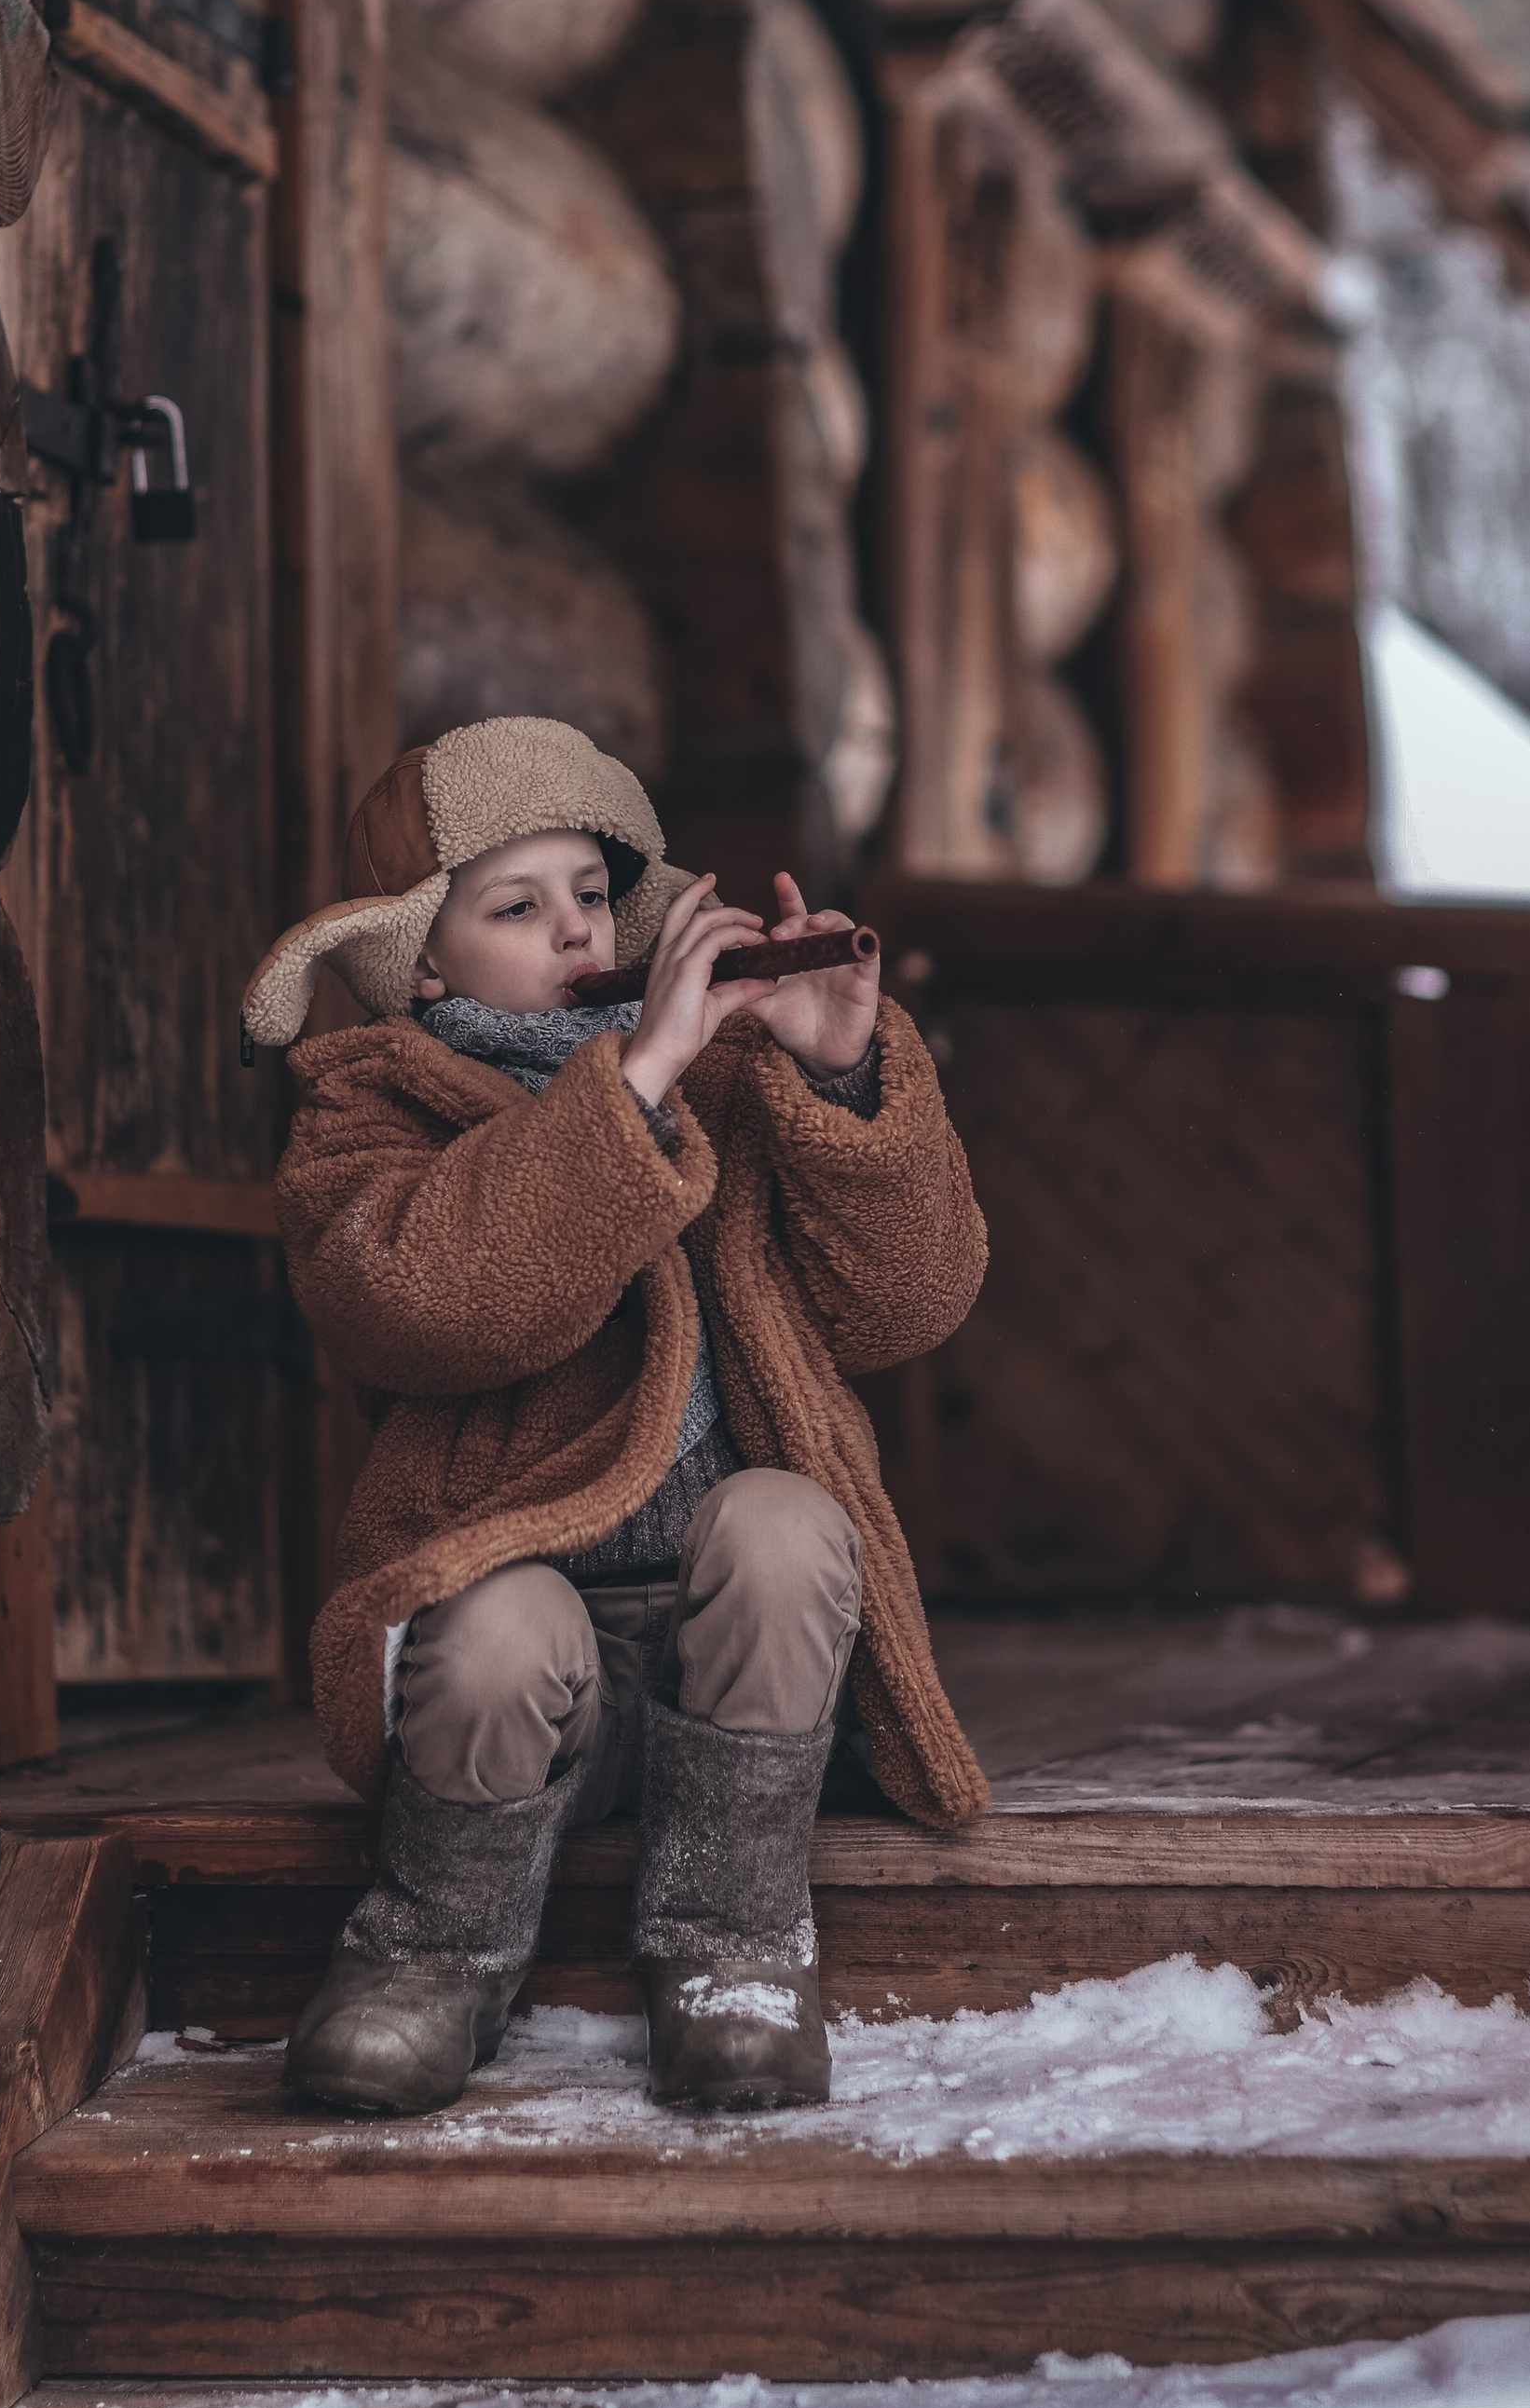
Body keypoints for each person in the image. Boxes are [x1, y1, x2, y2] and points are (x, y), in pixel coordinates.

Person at [239, 714, 990, 2120]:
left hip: (747, 1679)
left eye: (592, 894)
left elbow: (911, 1305)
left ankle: (733, 1950)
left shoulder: (725, 1076)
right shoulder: (364, 1117)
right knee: (497, 1624)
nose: (574, 931)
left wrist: (838, 1075)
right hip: (526, 1695)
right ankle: (432, 1950)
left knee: (786, 1521)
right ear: (420, 956)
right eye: (515, 907)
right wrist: (629, 1086)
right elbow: (436, 1302)